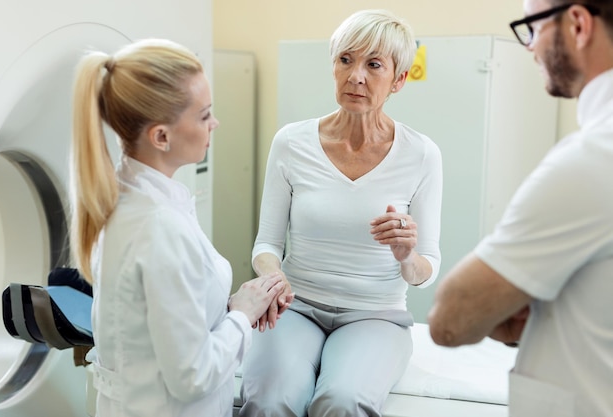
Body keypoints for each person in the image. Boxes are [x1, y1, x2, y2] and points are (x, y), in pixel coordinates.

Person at [239, 9, 443, 417]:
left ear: (399, 80)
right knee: (268, 400)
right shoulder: (291, 143)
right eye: (345, 60)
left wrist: (406, 254)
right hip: (296, 307)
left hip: (376, 316)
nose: (356, 76)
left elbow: (427, 270)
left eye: (374, 65)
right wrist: (272, 276)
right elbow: (266, 244)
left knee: (343, 401)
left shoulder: (421, 155)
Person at [69, 38, 286, 417]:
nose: (214, 123)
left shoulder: (132, 200)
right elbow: (193, 376)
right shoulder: (158, 227)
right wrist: (243, 316)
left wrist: (231, 307)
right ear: (162, 136)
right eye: (204, 115)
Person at [428, 1, 613, 416]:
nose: (529, 48)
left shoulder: (591, 160)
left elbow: (449, 320)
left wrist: (502, 311)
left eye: (532, 28)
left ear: (579, 24)